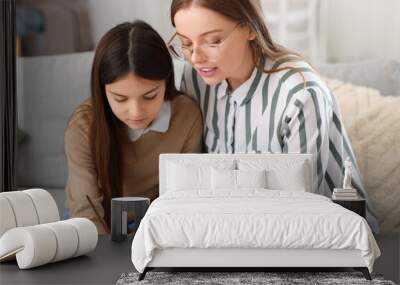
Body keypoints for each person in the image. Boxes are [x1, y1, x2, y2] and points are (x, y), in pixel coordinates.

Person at [168, 0, 379, 233]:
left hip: (330, 235)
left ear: (250, 27)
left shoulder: (302, 93)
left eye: (213, 41)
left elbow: (300, 204)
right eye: (185, 43)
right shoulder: (196, 77)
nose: (196, 57)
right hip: (235, 229)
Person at [65, 21, 203, 234]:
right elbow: (86, 213)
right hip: (96, 223)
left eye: (150, 96)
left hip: (153, 224)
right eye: (120, 99)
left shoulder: (187, 116)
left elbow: (183, 200)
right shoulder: (83, 126)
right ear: (102, 91)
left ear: (166, 82)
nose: (136, 112)